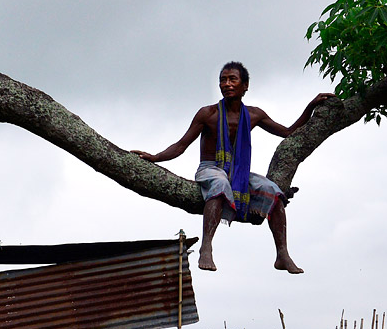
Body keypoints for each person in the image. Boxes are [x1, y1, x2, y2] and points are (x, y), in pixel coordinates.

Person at [133, 61, 334, 274]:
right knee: (219, 183)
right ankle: (206, 247)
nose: (226, 84)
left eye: (232, 79)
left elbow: (287, 132)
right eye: (223, 79)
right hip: (211, 168)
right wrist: (155, 157)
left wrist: (311, 106)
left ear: (245, 86)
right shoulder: (207, 114)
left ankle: (282, 254)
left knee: (274, 192)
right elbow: (181, 145)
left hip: (238, 173)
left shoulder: (255, 114)